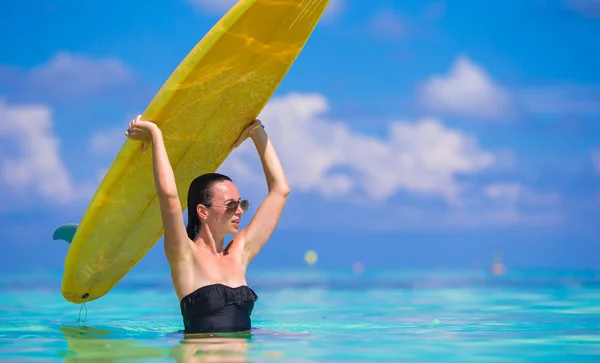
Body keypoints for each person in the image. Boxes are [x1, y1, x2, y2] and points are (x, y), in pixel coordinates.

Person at [125, 115, 290, 335]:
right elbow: (169, 197)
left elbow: (280, 190)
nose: (239, 210)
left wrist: (256, 131)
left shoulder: (239, 252)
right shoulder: (184, 254)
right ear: (203, 211)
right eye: (231, 205)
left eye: (241, 204)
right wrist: (155, 135)